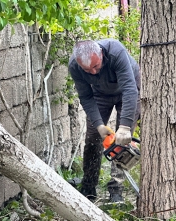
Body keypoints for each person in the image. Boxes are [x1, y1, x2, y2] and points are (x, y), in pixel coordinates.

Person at [68, 39, 140, 203]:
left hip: (129, 92)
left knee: (122, 140)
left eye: (95, 66)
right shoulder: (74, 66)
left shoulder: (115, 52)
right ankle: (88, 188)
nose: (93, 72)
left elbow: (130, 88)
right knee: (92, 137)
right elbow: (86, 97)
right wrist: (99, 125)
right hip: (100, 93)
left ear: (101, 53)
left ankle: (116, 188)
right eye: (87, 70)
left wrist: (124, 127)